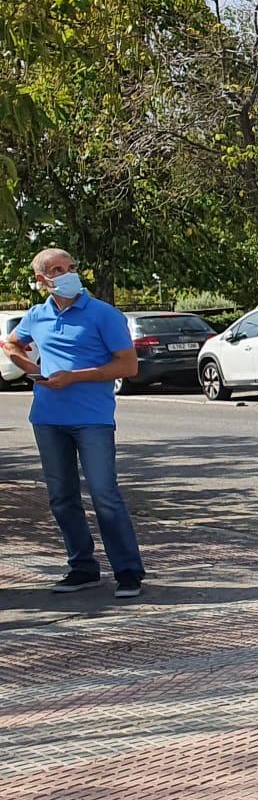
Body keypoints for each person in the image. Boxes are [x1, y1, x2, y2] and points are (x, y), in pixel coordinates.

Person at [2, 248, 145, 597]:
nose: (67, 274)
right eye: (57, 269)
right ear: (42, 279)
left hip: (92, 419)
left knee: (104, 495)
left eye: (71, 267)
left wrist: (74, 376)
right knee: (62, 498)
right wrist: (35, 371)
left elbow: (128, 367)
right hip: (48, 419)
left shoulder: (103, 315)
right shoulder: (37, 315)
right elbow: (11, 344)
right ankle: (82, 567)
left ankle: (128, 573)